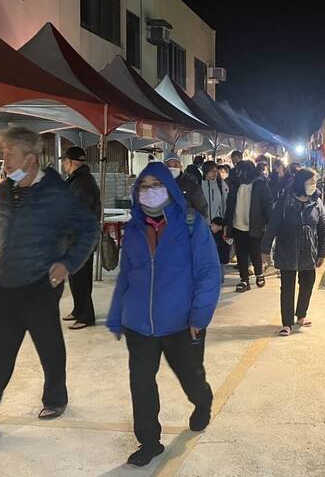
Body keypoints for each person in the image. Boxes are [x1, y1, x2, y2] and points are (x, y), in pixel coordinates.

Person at [0, 128, 99, 430]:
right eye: (4, 152)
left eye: (10, 153)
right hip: (3, 287)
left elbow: (89, 228)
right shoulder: (5, 191)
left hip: (39, 285)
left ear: (30, 159)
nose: (4, 160)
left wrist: (68, 263)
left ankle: (55, 398)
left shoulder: (57, 193)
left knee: (49, 346)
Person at [107, 162, 221, 467]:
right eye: (143, 186)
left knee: (190, 376)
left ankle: (202, 401)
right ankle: (149, 441)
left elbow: (209, 272)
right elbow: (127, 274)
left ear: (168, 190)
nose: (149, 192)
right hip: (139, 324)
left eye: (156, 185)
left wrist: (199, 316)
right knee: (141, 383)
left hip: (180, 322)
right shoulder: (134, 229)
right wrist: (117, 313)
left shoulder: (191, 224)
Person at [262, 169, 325, 336]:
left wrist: (322, 252)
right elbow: (272, 227)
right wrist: (265, 250)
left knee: (308, 283)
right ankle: (286, 323)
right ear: (301, 183)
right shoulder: (284, 202)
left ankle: (301, 315)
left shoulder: (317, 202)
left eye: (315, 182)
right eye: (310, 182)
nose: (313, 185)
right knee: (287, 288)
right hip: (287, 250)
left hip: (309, 250)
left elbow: (323, 228)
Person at [60, 146, 101, 330]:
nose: (63, 165)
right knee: (75, 277)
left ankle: (86, 316)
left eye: (64, 161)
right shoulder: (76, 179)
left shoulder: (83, 182)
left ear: (70, 162)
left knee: (82, 278)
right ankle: (78, 310)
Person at [225, 160, 273, 293]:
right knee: (241, 254)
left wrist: (270, 225)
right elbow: (229, 205)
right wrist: (227, 224)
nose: (238, 173)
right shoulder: (236, 185)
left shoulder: (260, 185)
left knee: (255, 252)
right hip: (237, 225)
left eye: (240, 170)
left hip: (255, 225)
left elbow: (267, 205)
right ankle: (244, 280)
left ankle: (259, 274)